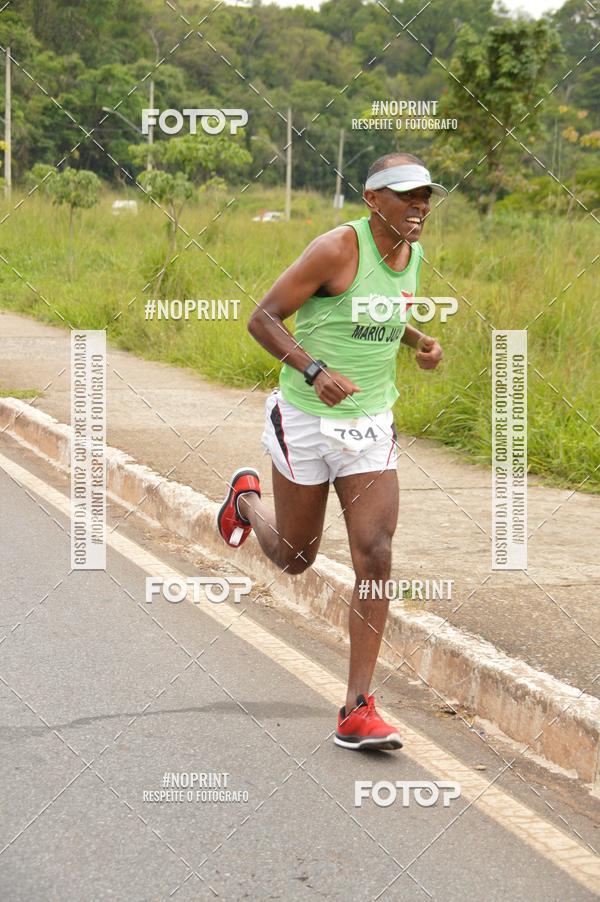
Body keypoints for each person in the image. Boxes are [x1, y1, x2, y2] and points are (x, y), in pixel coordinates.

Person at [217, 152, 446, 750]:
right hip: (306, 417)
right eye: (406, 195)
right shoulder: (336, 249)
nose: (420, 205)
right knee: (296, 557)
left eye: (426, 195)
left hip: (370, 422)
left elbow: (381, 313)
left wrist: (419, 340)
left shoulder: (412, 251)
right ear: (373, 200)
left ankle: (357, 706)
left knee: (375, 552)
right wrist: (314, 369)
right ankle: (246, 504)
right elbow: (262, 318)